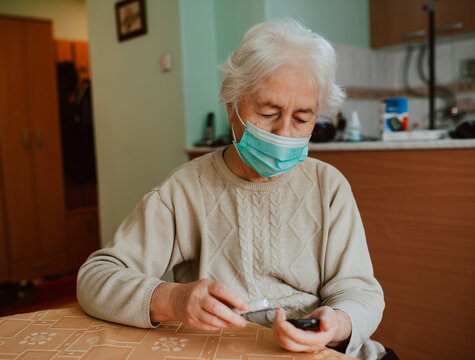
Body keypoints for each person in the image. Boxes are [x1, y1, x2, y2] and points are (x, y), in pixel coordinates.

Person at [78, 18, 386, 359]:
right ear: (231, 106)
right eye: (269, 112)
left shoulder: (329, 187)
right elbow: (95, 279)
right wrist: (172, 300)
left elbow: (361, 293)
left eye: (302, 118)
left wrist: (338, 323)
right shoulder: (184, 191)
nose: (284, 133)